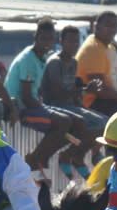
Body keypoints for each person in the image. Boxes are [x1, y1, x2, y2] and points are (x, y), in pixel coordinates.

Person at [5, 18, 82, 174]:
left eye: (50, 39)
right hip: (20, 109)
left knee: (75, 122)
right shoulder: (28, 59)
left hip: (30, 105)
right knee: (64, 122)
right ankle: (36, 159)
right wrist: (47, 110)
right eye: (43, 38)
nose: (47, 43)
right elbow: (26, 97)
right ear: (36, 37)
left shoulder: (42, 56)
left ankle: (39, 158)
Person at [42, 25, 106, 179]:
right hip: (54, 106)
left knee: (105, 122)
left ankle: (77, 156)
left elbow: (73, 90)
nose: (74, 45)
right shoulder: (55, 62)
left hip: (70, 106)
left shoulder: (73, 62)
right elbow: (57, 93)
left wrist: (83, 97)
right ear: (61, 42)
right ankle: (70, 156)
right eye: (70, 41)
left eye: (76, 41)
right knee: (94, 124)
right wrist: (85, 91)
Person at [77, 11, 117, 116]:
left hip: (105, 99)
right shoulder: (93, 48)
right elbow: (101, 90)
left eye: (114, 26)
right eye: (108, 25)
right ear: (97, 27)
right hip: (89, 102)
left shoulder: (109, 47)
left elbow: (115, 79)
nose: (112, 29)